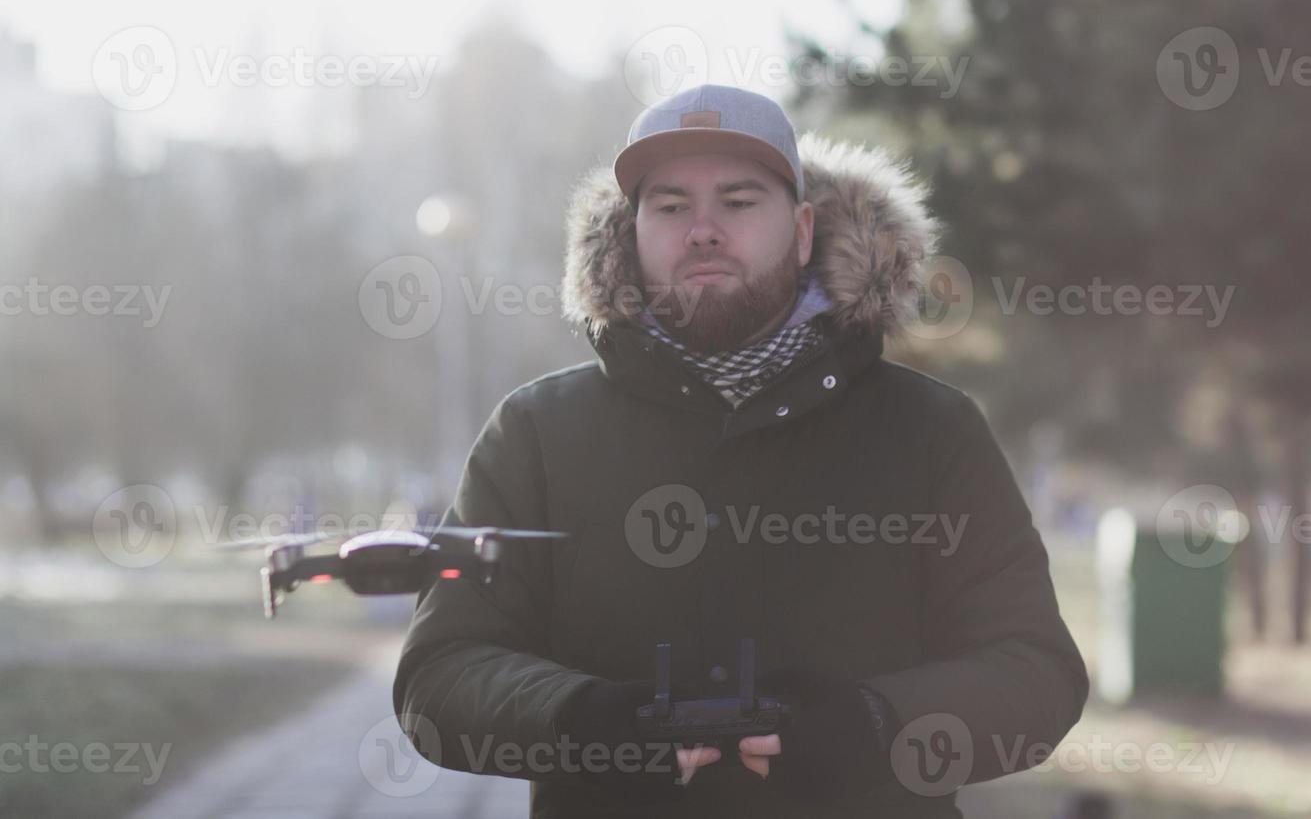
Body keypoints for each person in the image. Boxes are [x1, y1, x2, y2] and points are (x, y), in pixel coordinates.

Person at [392, 84, 1088, 818]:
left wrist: (874, 726)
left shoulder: (930, 429)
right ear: (629, 233)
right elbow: (441, 672)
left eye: (738, 200)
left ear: (804, 229)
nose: (702, 230)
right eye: (668, 206)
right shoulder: (535, 431)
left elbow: (1033, 671)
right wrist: (584, 723)